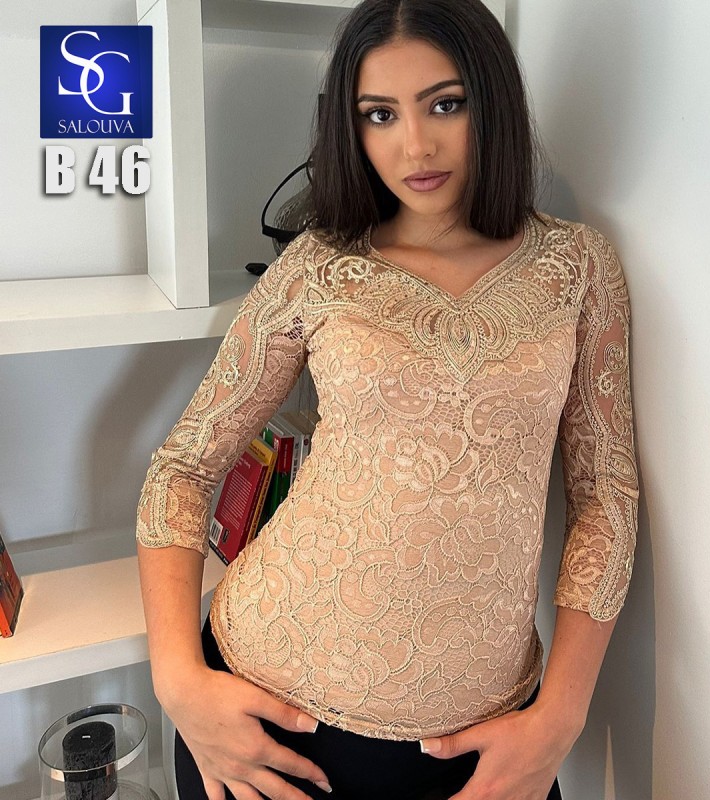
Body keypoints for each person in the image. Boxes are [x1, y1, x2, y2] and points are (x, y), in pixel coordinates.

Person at [135, 0, 640, 798]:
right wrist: (175, 679)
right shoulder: (318, 264)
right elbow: (184, 466)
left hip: (487, 734)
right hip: (268, 712)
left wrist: (562, 715)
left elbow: (605, 497)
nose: (415, 145)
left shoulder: (577, 266)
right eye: (380, 114)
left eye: (445, 104)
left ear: (492, 100)